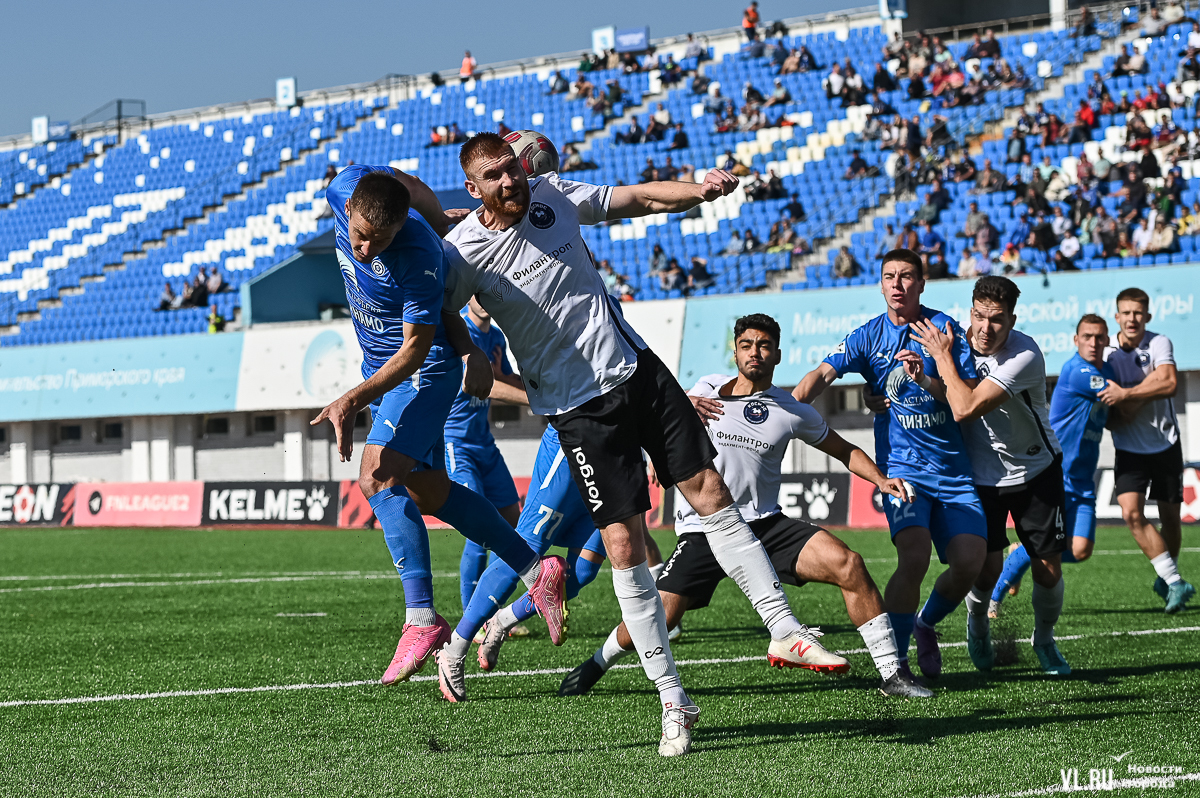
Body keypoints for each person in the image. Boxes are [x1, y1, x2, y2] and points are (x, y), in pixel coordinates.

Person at [443, 133, 841, 754]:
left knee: (710, 490)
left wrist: (699, 191)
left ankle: (783, 628)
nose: (510, 181)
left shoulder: (553, 194)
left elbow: (639, 198)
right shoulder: (462, 250)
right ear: (474, 189)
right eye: (493, 176)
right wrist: (469, 350)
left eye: (512, 169)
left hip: (638, 370)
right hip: (577, 409)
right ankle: (672, 699)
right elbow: (438, 311)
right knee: (622, 544)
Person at [561, 314, 932, 699]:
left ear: (778, 355)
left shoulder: (791, 409)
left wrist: (881, 479)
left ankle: (893, 675)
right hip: (704, 530)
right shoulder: (705, 388)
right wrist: (671, 428)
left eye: (764, 345)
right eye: (747, 345)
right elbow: (658, 414)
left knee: (849, 563)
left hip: (765, 525)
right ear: (735, 353)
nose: (755, 352)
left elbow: (844, 450)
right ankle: (595, 664)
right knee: (659, 615)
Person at [313, 164, 567, 694]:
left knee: (377, 476)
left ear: (399, 228)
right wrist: (437, 216)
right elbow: (399, 179)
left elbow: (414, 350)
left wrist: (351, 399)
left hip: (420, 372)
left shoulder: (420, 256)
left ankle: (421, 618)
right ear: (348, 207)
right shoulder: (345, 189)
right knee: (429, 492)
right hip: (384, 371)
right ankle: (535, 570)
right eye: (359, 234)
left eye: (379, 240)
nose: (364, 249)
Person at [793, 249, 987, 684]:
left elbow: (967, 399)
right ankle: (896, 664)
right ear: (880, 285)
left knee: (968, 564)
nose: (898, 284)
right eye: (889, 277)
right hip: (903, 469)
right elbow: (820, 376)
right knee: (914, 557)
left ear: (922, 284)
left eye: (906, 276)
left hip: (953, 471)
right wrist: (781, 410)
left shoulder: (944, 330)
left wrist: (926, 378)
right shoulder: (867, 336)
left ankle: (925, 623)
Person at [907, 277, 1070, 676]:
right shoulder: (957, 344)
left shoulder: (1024, 355)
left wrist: (941, 358)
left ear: (1012, 320)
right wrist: (923, 380)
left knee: (1048, 569)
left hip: (1035, 471)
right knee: (985, 570)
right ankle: (977, 624)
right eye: (979, 316)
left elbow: (965, 407)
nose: (985, 328)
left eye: (997, 320)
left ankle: (1044, 640)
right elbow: (950, 393)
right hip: (980, 477)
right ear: (971, 312)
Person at [468, 424, 671, 671]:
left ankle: (502, 620)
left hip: (618, 458)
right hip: (572, 446)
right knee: (522, 552)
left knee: (582, 572)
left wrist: (653, 446)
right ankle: (455, 647)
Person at [990, 315, 1115, 614]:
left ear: (1107, 340)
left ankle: (1021, 552)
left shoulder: (1106, 370)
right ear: (1076, 340)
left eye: (1099, 337)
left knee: (1081, 550)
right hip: (1059, 474)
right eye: (1087, 337)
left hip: (1083, 478)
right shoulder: (1077, 371)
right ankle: (995, 596)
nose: (1093, 343)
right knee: (1048, 547)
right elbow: (1119, 394)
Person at [1097, 288, 1194, 613]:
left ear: (1148, 316)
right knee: (1131, 513)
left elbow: (1169, 383)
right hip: (1128, 448)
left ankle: (1168, 577)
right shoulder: (1107, 353)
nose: (1132, 319)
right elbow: (1116, 410)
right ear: (1117, 317)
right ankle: (1174, 580)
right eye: (1126, 313)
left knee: (1171, 520)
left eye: (1138, 313)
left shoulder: (1159, 342)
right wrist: (1140, 392)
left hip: (1165, 442)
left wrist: (1126, 395)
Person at [445, 297, 530, 620]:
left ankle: (493, 613)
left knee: (509, 523)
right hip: (456, 443)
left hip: (485, 444)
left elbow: (504, 377)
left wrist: (545, 388)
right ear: (467, 294)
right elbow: (481, 385)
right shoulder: (459, 330)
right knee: (479, 527)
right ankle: (473, 618)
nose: (483, 300)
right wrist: (534, 403)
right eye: (476, 293)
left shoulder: (495, 337)